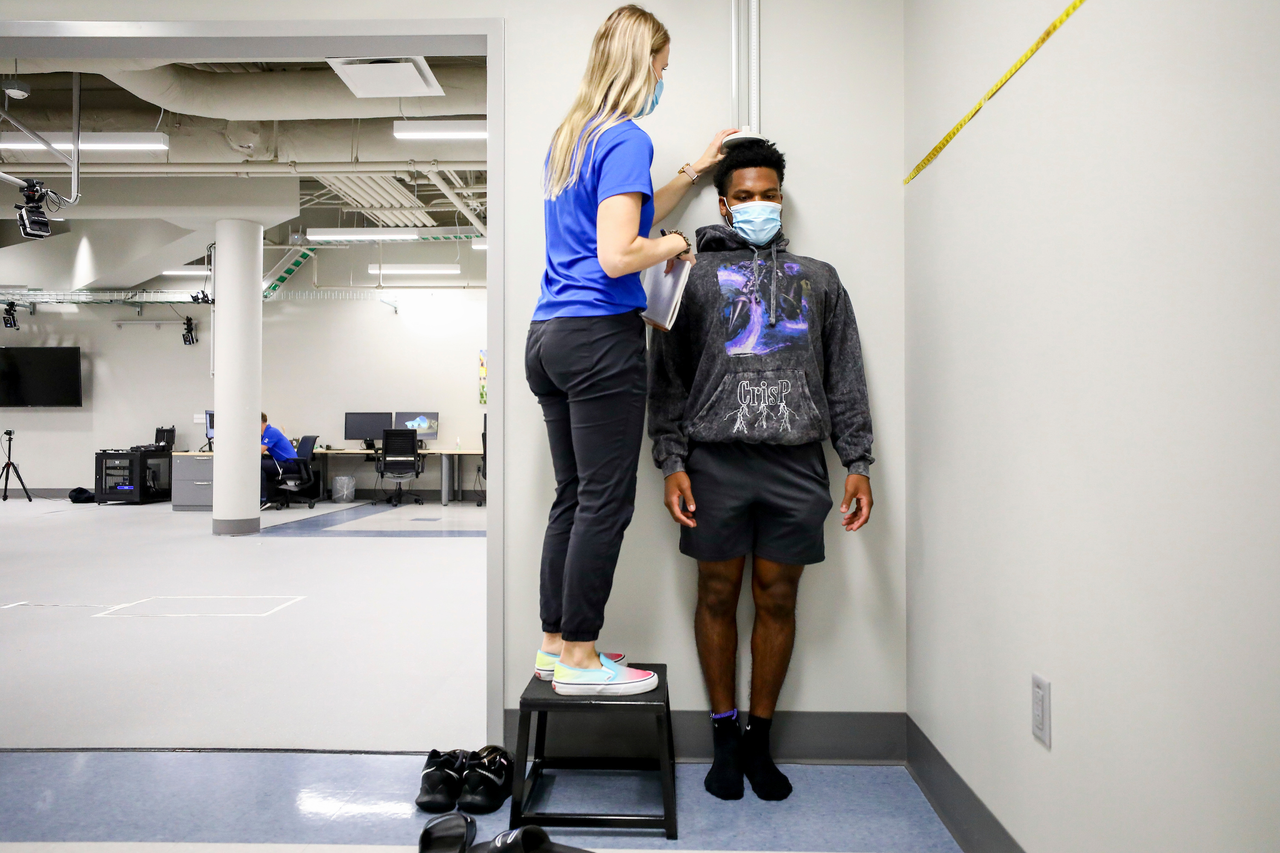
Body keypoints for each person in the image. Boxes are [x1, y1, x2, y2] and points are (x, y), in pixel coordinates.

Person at [647, 139, 875, 799]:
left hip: (797, 463)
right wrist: (671, 459)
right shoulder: (679, 274)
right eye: (743, 196)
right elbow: (665, 379)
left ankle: (759, 742)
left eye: (767, 194)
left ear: (781, 199)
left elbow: (846, 376)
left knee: (778, 598)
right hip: (713, 461)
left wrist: (856, 460)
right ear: (723, 202)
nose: (756, 205)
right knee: (716, 596)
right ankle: (722, 739)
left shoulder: (821, 278)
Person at [527, 4, 736, 696]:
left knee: (574, 495)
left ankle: (556, 644)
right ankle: (585, 658)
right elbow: (621, 253)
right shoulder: (624, 138)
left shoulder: (572, 137)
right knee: (606, 501)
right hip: (597, 338)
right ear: (640, 63)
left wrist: (692, 172)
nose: (662, 82)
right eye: (662, 68)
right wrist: (681, 244)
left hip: (549, 336)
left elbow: (625, 214)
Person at [260, 412, 298, 510]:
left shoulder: (271, 432)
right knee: (260, 467)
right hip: (283, 463)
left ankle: (263, 499)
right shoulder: (264, 434)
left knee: (257, 464)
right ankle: (265, 498)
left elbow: (259, 450)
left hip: (289, 464)